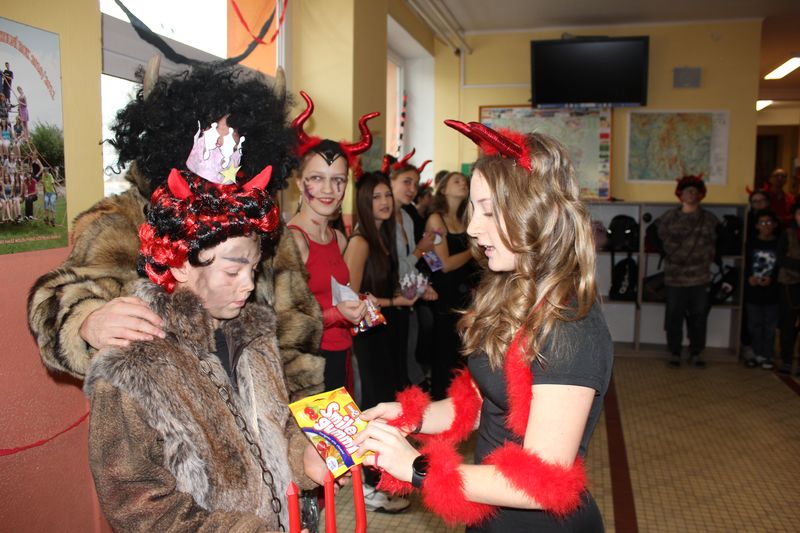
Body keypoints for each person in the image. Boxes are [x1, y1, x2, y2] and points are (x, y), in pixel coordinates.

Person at [353, 122, 613, 532]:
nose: (473, 228)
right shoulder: (515, 296)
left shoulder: (568, 326)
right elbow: (480, 403)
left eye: (489, 211)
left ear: (537, 214)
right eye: (474, 210)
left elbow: (541, 483)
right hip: (490, 513)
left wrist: (416, 467)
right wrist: (410, 417)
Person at [27, 60, 324, 400]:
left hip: (258, 413)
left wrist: (305, 418)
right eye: (210, 140)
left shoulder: (261, 228)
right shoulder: (126, 219)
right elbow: (53, 297)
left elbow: (296, 333)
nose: (223, 155)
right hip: (167, 417)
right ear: (181, 140)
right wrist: (87, 320)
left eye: (234, 144)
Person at [85, 167, 325, 532]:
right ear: (181, 264)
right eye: (232, 271)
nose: (249, 285)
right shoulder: (132, 365)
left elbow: (278, 425)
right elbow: (139, 507)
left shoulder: (255, 337)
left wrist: (302, 455)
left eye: (254, 268)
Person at [287, 90, 377, 391]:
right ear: (299, 183)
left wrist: (360, 303)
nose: (328, 189)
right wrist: (336, 315)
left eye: (338, 180)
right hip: (307, 366)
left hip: (341, 355)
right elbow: (280, 323)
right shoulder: (292, 241)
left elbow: (332, 295)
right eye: (317, 178)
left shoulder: (337, 238)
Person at [343, 171, 417, 513]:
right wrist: (393, 302)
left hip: (386, 330)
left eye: (387, 195)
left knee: (387, 404)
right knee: (374, 405)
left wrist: (403, 295)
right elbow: (350, 298)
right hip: (368, 336)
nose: (385, 202)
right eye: (377, 197)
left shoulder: (382, 236)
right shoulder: (360, 241)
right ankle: (370, 484)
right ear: (363, 201)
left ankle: (381, 478)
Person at [425, 171, 479, 399]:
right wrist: (473, 251)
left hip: (467, 295)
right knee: (445, 354)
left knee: (464, 354)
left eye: (465, 182)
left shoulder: (467, 219)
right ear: (444, 189)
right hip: (445, 295)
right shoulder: (436, 220)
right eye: (457, 181)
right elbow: (443, 264)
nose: (463, 184)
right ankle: (441, 400)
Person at [387, 150, 438, 387]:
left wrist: (423, 285)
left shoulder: (406, 217)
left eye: (415, 184)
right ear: (391, 181)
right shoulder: (382, 218)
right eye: (406, 182)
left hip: (405, 299)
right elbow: (393, 267)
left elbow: (407, 266)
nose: (412, 189)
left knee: (406, 356)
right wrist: (420, 250)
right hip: (387, 301)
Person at [657, 175, 719, 368]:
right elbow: (656, 237)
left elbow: (718, 241)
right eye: (687, 191)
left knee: (699, 316)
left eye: (694, 191)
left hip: (700, 277)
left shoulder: (709, 219)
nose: (691, 194)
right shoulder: (669, 218)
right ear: (680, 195)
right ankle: (674, 352)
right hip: (675, 277)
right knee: (674, 316)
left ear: (700, 195)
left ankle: (696, 352)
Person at [743, 210, 781, 369]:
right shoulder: (750, 244)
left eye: (769, 222)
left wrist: (772, 280)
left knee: (770, 326)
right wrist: (749, 278)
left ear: (775, 225)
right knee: (754, 325)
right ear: (757, 226)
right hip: (753, 292)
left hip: (773, 293)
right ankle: (756, 353)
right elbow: (745, 265)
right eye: (762, 223)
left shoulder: (780, 243)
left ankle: (768, 355)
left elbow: (781, 267)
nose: (766, 226)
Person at [777, 202, 800, 376]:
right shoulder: (788, 234)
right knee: (788, 325)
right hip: (789, 285)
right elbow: (781, 258)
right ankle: (786, 360)